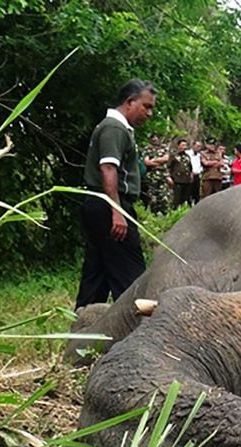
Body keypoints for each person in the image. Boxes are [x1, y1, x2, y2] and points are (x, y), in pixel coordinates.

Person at [75, 79, 156, 310]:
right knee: (132, 278)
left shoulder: (117, 128)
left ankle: (85, 329)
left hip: (100, 205)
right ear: (129, 102)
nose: (149, 113)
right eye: (146, 106)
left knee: (96, 276)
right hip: (109, 206)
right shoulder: (114, 128)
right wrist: (117, 212)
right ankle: (139, 331)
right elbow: (108, 168)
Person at [166, 138, 193, 208]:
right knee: (176, 199)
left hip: (186, 181)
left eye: (185, 145)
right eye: (183, 145)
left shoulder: (187, 156)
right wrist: (168, 177)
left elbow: (190, 168)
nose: (185, 147)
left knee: (185, 199)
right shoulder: (174, 156)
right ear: (179, 146)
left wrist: (191, 176)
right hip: (177, 180)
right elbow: (168, 167)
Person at [185, 140, 203, 206]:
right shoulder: (187, 154)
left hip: (197, 175)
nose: (199, 148)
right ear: (193, 146)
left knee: (196, 193)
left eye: (200, 146)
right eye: (197, 146)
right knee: (189, 192)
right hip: (189, 175)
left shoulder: (199, 155)